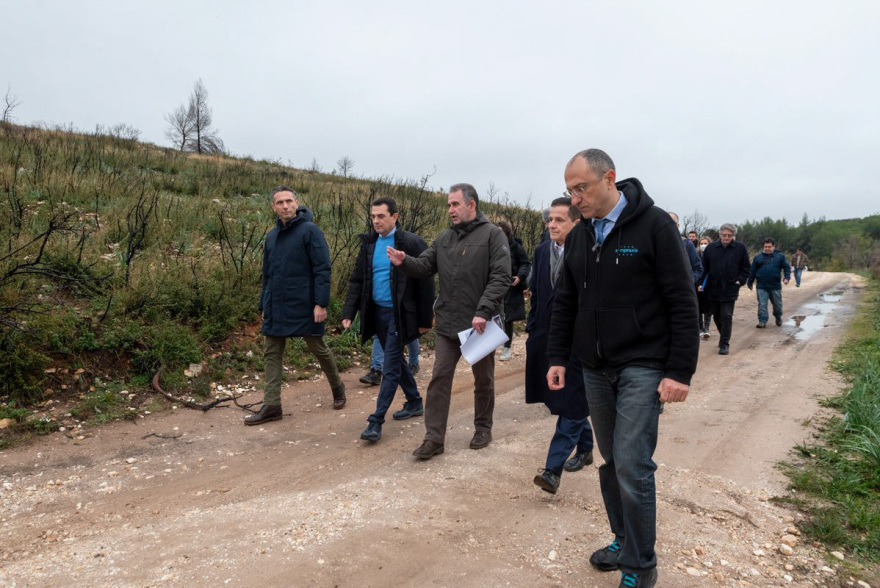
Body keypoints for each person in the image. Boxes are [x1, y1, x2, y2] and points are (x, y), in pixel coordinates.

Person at [547, 149, 698, 588]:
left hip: (644, 365)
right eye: (570, 190)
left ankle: (639, 566)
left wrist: (680, 371)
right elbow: (566, 303)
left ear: (609, 179)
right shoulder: (579, 236)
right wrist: (558, 357)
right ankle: (621, 538)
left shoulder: (653, 227)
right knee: (612, 462)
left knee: (632, 464)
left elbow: (682, 301)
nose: (575, 199)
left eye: (582, 188)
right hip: (595, 367)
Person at [388, 183, 510, 460]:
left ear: (471, 205)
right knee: (439, 379)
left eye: (455, 204)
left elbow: (501, 278)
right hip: (447, 324)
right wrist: (405, 260)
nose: (451, 210)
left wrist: (483, 310)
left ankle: (482, 428)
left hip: (478, 325)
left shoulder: (493, 236)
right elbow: (424, 267)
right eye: (448, 205)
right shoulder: (444, 238)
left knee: (483, 380)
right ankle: (434, 439)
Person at [246, 186, 346, 426]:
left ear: (296, 203)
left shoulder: (311, 231)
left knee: (318, 348)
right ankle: (272, 406)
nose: (285, 206)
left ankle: (338, 387)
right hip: (277, 305)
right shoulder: (271, 236)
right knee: (272, 352)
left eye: (289, 201)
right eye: (279, 202)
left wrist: (320, 303)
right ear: (273, 207)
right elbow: (267, 274)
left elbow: (322, 269)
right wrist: (264, 304)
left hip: (305, 304)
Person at [342, 197, 435, 442]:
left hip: (400, 315)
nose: (375, 221)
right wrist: (348, 313)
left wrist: (426, 318)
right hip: (377, 313)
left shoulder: (411, 242)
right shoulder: (369, 244)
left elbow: (426, 281)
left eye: (381, 216)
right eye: (373, 216)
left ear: (394, 216)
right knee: (395, 360)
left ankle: (376, 421)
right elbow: (357, 281)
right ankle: (414, 401)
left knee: (389, 366)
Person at [526, 197, 593, 495]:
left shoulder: (591, 252)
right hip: (547, 337)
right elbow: (538, 293)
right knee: (569, 400)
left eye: (559, 220)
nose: (551, 225)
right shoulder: (542, 251)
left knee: (574, 399)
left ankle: (552, 470)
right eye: (550, 220)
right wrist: (533, 327)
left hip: (580, 340)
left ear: (576, 223)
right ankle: (587, 446)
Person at [700, 223, 750, 355]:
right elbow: (704, 269)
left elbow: (745, 268)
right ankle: (724, 336)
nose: (726, 237)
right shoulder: (711, 248)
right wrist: (701, 283)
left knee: (726, 315)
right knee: (716, 316)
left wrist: (740, 281)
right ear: (720, 234)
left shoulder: (740, 248)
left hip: (730, 287)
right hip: (713, 288)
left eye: (729, 235)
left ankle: (724, 344)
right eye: (724, 235)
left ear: (733, 236)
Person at [496, 221, 531, 362]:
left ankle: (507, 347)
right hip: (496, 285)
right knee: (496, 314)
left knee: (507, 317)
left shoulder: (516, 247)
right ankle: (501, 337)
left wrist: (520, 276)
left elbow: (525, 263)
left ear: (507, 233)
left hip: (511, 285)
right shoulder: (492, 246)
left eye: (500, 232)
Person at [747, 238, 791, 328]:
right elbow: (752, 271)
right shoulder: (758, 258)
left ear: (773, 246)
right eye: (765, 246)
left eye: (769, 247)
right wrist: (750, 282)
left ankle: (778, 316)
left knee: (777, 305)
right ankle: (762, 321)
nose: (767, 248)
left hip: (775, 286)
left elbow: (787, 267)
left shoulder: (780, 256)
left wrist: (787, 277)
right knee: (762, 304)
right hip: (761, 285)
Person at [668, 212, 703, 285]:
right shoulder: (652, 242)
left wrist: (688, 282)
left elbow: (698, 268)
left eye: (671, 222)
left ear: (677, 226)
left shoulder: (686, 244)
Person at [696, 236, 713, 338]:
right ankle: (699, 328)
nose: (703, 245)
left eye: (705, 243)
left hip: (709, 284)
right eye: (701, 243)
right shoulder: (696, 255)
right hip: (697, 283)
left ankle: (706, 328)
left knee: (708, 307)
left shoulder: (713, 255)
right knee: (697, 306)